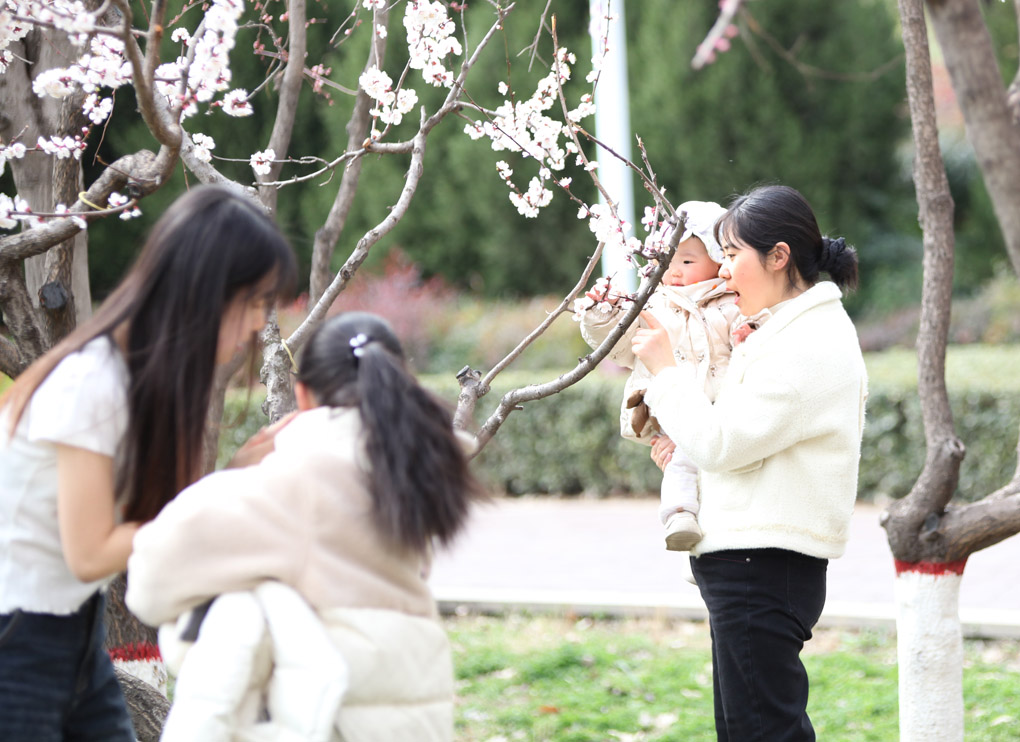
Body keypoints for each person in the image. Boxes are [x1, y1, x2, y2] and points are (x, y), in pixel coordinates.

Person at [0, 184, 297, 741]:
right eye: (255, 300)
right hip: (20, 635)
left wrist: (230, 481)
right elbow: (91, 553)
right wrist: (220, 496)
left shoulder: (131, 380)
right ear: (206, 292)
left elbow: (152, 526)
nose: (259, 323)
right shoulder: (92, 383)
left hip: (69, 628)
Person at [125, 311, 486, 742]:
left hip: (333, 718)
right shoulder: (416, 472)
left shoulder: (297, 486)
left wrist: (238, 472)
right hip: (417, 708)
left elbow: (148, 581)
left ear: (302, 395)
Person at [632, 184, 868, 741]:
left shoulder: (807, 343)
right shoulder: (786, 331)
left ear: (778, 256)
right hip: (753, 564)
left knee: (762, 733)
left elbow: (721, 443)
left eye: (733, 255)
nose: (724, 270)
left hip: (761, 565)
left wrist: (667, 373)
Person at [576, 201, 740, 551]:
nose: (675, 271)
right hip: (674, 410)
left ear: (717, 260)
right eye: (668, 260)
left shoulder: (730, 303)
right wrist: (600, 313)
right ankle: (679, 516)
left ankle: (713, 542)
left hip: (719, 410)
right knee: (680, 462)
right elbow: (620, 343)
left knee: (712, 475)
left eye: (688, 261)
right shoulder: (654, 305)